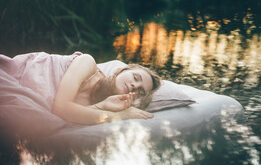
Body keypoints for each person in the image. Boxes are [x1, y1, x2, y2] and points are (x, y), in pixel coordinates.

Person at [0, 52, 161, 125]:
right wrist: (122, 116)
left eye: (140, 92)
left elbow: (71, 114)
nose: (134, 85)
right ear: (120, 71)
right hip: (20, 74)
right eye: (135, 78)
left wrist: (103, 106)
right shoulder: (87, 63)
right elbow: (61, 109)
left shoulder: (109, 105)